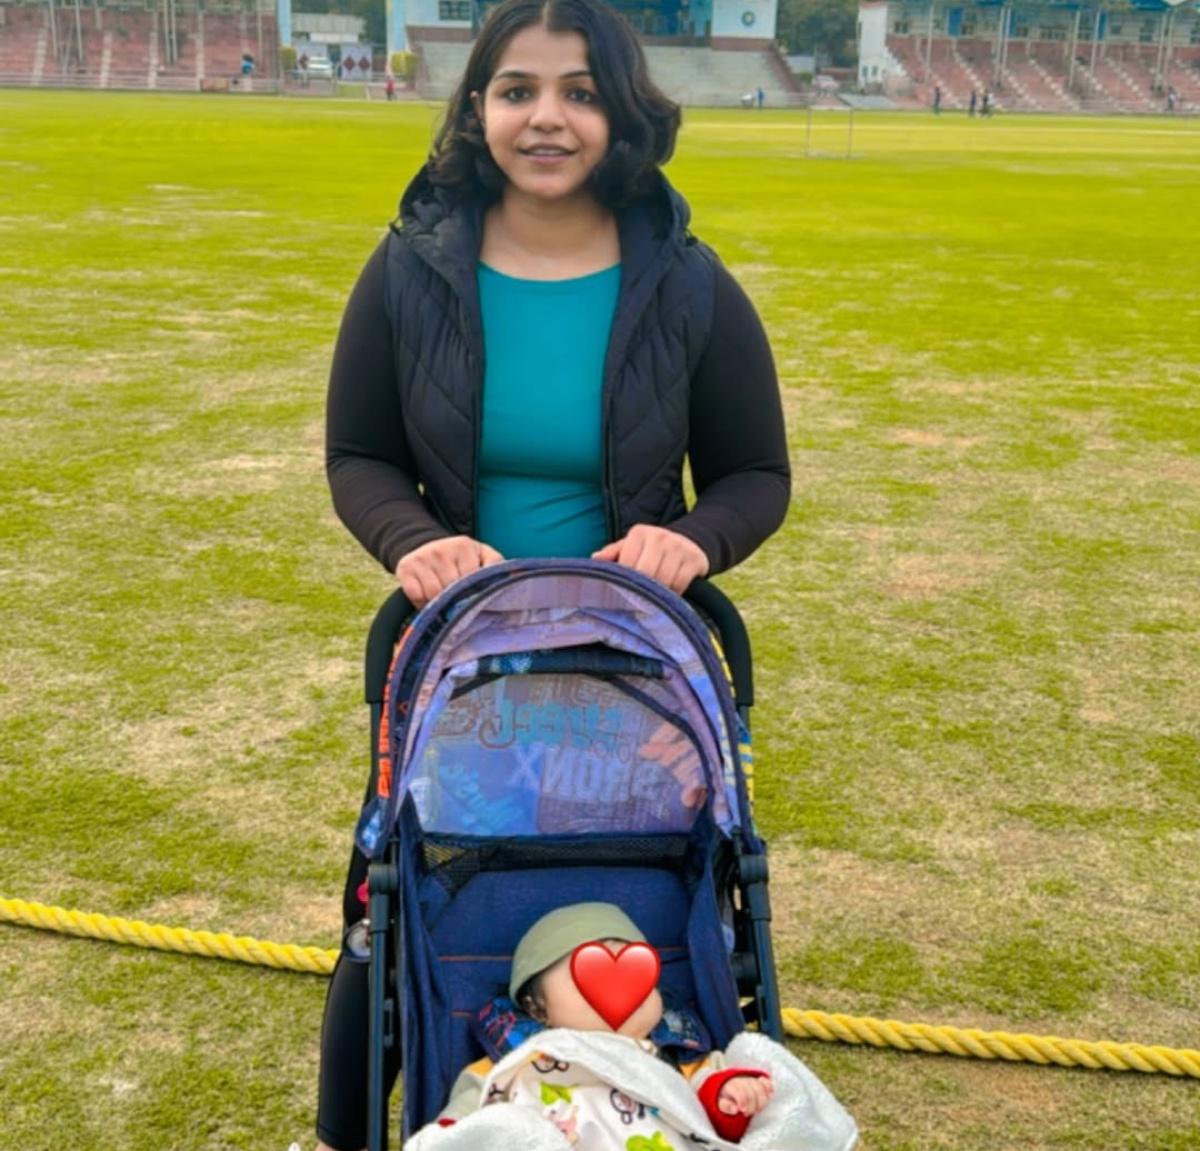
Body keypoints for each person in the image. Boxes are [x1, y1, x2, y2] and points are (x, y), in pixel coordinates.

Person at [319, 0, 790, 1147]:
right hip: (459, 653)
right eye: (518, 89)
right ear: (476, 108)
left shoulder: (684, 279)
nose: (547, 118)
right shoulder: (410, 269)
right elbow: (359, 453)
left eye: (580, 92)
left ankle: (668, 1096)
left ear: (621, 114)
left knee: (646, 893)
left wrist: (695, 539)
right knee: (404, 899)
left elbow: (756, 471)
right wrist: (407, 538)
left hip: (628, 656)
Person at [404, 903, 859, 1150]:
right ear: (536, 1006)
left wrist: (729, 1097)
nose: (619, 987)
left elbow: (704, 1115)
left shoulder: (678, 1057)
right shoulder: (507, 1067)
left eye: (640, 972)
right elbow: (463, 1128)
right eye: (587, 971)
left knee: (758, 1067)